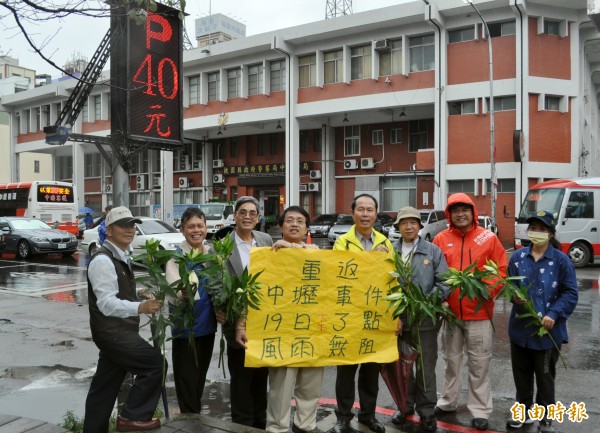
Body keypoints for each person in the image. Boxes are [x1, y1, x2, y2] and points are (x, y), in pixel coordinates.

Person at [83, 206, 164, 433]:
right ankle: (131, 417)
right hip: (115, 334)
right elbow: (106, 303)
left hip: (115, 333)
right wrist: (141, 306)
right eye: (123, 225)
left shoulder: (120, 254)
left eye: (132, 225)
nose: (130, 229)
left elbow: (115, 288)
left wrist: (138, 292)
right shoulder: (103, 260)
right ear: (109, 230)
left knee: (104, 388)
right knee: (154, 364)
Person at [432, 193, 507, 431]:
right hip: (451, 314)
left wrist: (485, 290)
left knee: (479, 363)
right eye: (455, 211)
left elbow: (500, 270)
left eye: (465, 210)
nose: (460, 214)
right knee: (451, 361)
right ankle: (448, 402)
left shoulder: (489, 238)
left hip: (480, 314)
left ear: (473, 212)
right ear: (449, 215)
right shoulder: (440, 239)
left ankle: (480, 409)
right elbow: (434, 274)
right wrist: (440, 301)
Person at [506, 211, 578, 433]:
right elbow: (510, 286)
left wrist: (554, 314)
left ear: (551, 233)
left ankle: (546, 417)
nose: (536, 233)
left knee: (545, 376)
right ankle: (523, 413)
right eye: (533, 228)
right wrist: (514, 295)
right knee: (521, 375)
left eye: (542, 229)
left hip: (548, 333)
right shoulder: (517, 258)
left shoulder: (561, 260)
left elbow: (570, 293)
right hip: (520, 329)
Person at [333, 194, 394, 433]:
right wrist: (371, 259)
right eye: (361, 209)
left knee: (371, 371)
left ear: (376, 214)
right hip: (349, 316)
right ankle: (343, 417)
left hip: (376, 317)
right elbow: (340, 273)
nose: (365, 214)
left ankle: (368, 415)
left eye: (370, 210)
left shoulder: (386, 243)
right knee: (346, 371)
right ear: (353, 213)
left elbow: (392, 280)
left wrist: (395, 316)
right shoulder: (342, 242)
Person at [390, 206, 450, 432]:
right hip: (399, 322)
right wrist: (395, 314)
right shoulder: (389, 251)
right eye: (404, 223)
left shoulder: (433, 251)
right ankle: (404, 406)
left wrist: (426, 302)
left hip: (425, 319)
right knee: (402, 367)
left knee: (425, 367)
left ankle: (426, 411)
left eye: (413, 222)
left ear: (419, 226)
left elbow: (445, 282)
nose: (408, 226)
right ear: (398, 227)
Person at [265, 206, 323, 433]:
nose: (295, 224)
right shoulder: (269, 254)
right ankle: (277, 428)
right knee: (281, 385)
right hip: (283, 329)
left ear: (307, 228)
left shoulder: (315, 251)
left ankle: (305, 425)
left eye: (300, 221)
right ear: (280, 226)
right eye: (289, 220)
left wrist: (293, 247)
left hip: (312, 328)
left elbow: (314, 254)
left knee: (311, 383)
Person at [226, 196, 273, 428]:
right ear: (235, 216)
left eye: (252, 213)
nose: (247, 216)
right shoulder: (223, 244)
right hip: (236, 321)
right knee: (241, 377)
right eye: (242, 212)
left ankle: (260, 423)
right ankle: (241, 424)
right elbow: (217, 284)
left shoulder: (265, 240)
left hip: (264, 322)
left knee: (260, 376)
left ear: (258, 217)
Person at [165, 207, 217, 414]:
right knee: (186, 377)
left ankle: (193, 416)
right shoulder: (176, 256)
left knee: (200, 375)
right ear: (183, 230)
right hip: (185, 328)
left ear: (206, 228)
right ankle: (189, 419)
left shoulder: (212, 254)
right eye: (191, 226)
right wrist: (181, 293)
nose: (196, 230)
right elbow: (171, 292)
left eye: (200, 225)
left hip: (207, 326)